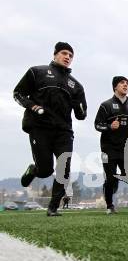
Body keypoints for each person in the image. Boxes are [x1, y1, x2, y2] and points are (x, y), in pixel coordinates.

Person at [13, 42, 87, 216]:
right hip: (39, 128)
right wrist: (33, 107)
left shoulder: (76, 85)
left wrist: (80, 106)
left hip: (64, 132)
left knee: (64, 168)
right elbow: (18, 93)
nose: (67, 57)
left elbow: (81, 115)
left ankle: (53, 207)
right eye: (64, 53)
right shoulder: (37, 72)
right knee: (46, 170)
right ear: (55, 55)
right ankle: (34, 170)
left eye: (70, 55)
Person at [94, 76, 128, 214]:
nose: (125, 85)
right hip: (109, 148)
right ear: (115, 87)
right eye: (122, 83)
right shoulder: (106, 105)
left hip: (127, 149)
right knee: (111, 178)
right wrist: (109, 126)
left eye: (127, 84)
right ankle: (110, 206)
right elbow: (97, 124)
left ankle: (112, 180)